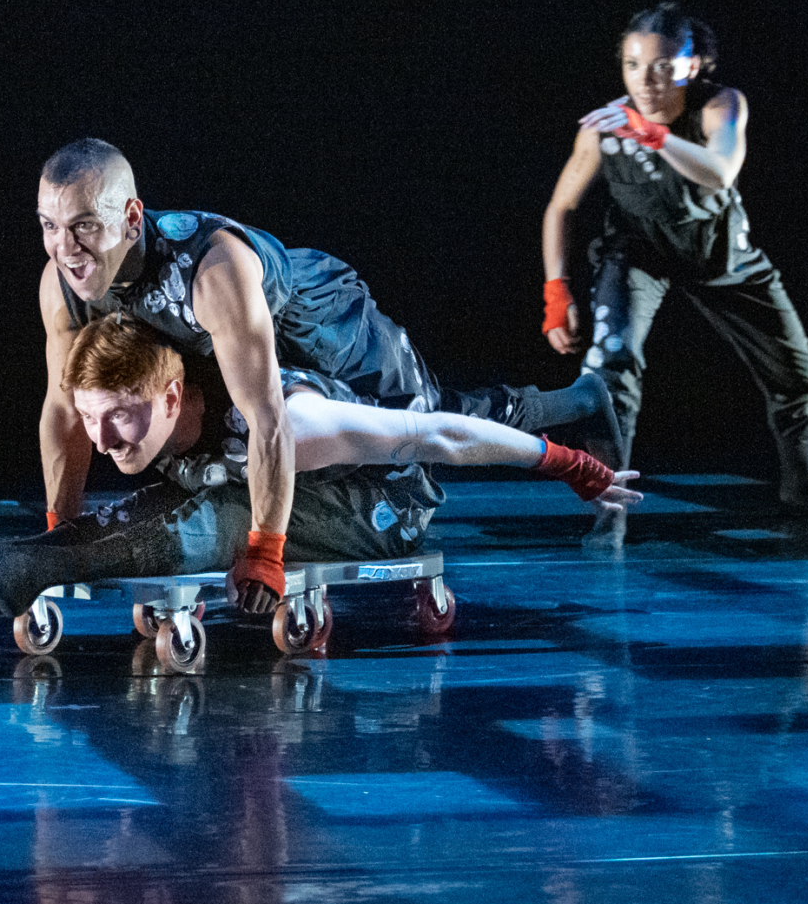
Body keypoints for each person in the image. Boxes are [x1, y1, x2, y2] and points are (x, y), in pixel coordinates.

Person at [36, 139, 619, 617]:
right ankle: (578, 400)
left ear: (132, 218)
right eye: (49, 227)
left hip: (331, 333)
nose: (66, 249)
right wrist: (58, 531)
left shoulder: (212, 270)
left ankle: (580, 400)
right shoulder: (61, 284)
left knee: (425, 419)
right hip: (259, 357)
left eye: (84, 226)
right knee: (343, 433)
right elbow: (62, 409)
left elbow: (268, 417)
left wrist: (267, 548)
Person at [0, 314, 639, 620]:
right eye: (91, 419)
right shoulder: (160, 409)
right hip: (314, 474)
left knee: (222, 511)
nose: (104, 441)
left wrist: (568, 464)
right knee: (207, 502)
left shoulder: (286, 423)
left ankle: (35, 566)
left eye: (121, 417)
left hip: (381, 505)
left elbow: (434, 436)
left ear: (174, 397)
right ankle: (581, 393)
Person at [540, 4, 808, 547]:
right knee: (610, 362)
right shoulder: (607, 127)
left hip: (721, 255)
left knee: (798, 374)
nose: (646, 79)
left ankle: (801, 484)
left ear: (691, 67)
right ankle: (610, 506)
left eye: (663, 65)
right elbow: (561, 207)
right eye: (632, 64)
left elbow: (720, 172)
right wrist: (556, 289)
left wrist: (650, 133)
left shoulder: (721, 104)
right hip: (639, 253)